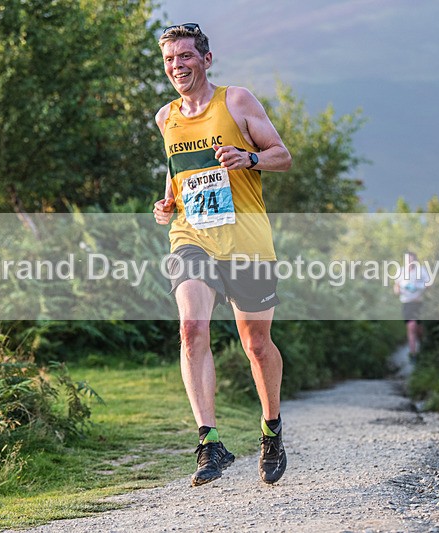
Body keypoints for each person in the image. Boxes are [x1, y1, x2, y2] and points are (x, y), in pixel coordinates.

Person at [152, 23, 292, 486]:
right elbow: (178, 172)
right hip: (191, 237)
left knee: (256, 345)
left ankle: (271, 430)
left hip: (246, 241)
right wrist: (167, 201)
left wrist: (247, 159)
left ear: (206, 60)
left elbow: (281, 155)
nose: (178, 66)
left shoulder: (237, 101)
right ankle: (209, 443)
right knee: (191, 329)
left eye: (186, 57)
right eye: (171, 59)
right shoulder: (165, 117)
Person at [393, 251, 430, 357]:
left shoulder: (421, 270)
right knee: (411, 326)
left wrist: (420, 288)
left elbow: (428, 284)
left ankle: (422, 345)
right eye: (407, 260)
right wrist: (398, 290)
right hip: (407, 303)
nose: (409, 262)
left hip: (419, 303)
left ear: (415, 260)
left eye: (411, 259)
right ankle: (413, 353)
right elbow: (396, 286)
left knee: (419, 328)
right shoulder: (400, 271)